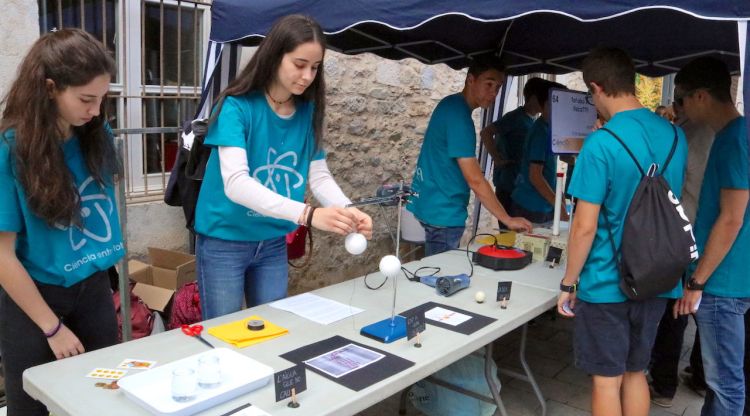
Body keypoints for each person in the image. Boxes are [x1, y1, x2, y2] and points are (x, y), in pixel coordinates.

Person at [193, 15, 373, 320]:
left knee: (272, 330)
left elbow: (318, 174)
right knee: (224, 336)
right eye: (300, 64)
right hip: (225, 239)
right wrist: (308, 215)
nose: (307, 76)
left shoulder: (307, 111)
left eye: (315, 68)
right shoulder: (237, 107)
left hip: (272, 240)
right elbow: (236, 183)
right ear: (275, 56)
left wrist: (347, 209)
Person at [556, 47, 688, 416]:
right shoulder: (676, 136)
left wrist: (568, 283)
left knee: (606, 379)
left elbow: (584, 226)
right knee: (635, 372)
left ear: (596, 88)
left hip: (606, 280)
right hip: (658, 275)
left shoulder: (601, 142)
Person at [0, 29, 123, 415]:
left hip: (93, 286)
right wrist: (51, 327)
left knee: (105, 393)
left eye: (102, 98)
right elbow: (2, 256)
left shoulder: (96, 133)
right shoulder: (10, 149)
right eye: (86, 99)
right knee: (32, 402)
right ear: (50, 88)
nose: (96, 111)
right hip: (34, 294)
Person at [673, 56, 750, 416]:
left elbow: (732, 217)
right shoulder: (737, 134)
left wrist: (698, 280)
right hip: (730, 278)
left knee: (725, 385)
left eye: (683, 99)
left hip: (721, 284)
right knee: (720, 385)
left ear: (701, 96)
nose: (682, 108)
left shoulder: (733, 140)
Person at [407, 57, 532, 256]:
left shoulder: (449, 104)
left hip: (431, 205)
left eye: (498, 87)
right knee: (440, 280)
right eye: (489, 84)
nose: (493, 93)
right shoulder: (460, 118)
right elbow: (475, 179)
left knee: (433, 274)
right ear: (471, 80)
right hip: (444, 213)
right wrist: (507, 219)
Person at [648, 97, 714, 408]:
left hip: (683, 232)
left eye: (679, 99)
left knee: (675, 311)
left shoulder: (684, 133)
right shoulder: (726, 132)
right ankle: (700, 376)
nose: (675, 106)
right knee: (706, 306)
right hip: (714, 236)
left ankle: (663, 385)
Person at [479, 77, 545, 227]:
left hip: (520, 188)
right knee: (509, 235)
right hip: (508, 185)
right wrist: (497, 158)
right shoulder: (515, 117)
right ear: (534, 98)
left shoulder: (533, 121)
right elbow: (486, 132)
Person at [510, 80, 570, 223]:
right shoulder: (540, 132)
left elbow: (550, 172)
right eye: (559, 103)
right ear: (546, 104)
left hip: (542, 205)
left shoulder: (549, 129)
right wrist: (560, 208)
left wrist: (560, 201)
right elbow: (535, 176)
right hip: (531, 206)